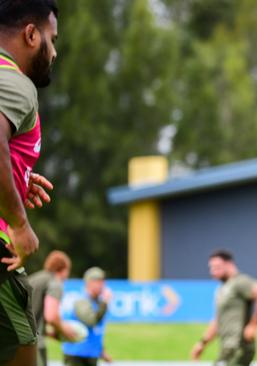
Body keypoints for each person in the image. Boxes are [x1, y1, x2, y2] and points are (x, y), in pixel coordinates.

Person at [0, 0, 59, 364]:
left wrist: (16, 175)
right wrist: (20, 224)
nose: (55, 51)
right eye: (53, 39)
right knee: (24, 355)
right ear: (32, 34)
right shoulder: (14, 81)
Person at [190, 250, 257, 366]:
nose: (213, 272)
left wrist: (253, 324)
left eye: (217, 267)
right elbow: (217, 321)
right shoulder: (222, 289)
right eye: (211, 268)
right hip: (227, 347)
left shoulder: (240, 281)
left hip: (238, 346)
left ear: (230, 264)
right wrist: (202, 343)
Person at [28, 250, 75, 366]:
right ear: (64, 269)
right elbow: (51, 316)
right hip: (33, 343)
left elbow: (31, 314)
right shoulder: (55, 282)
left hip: (14, 340)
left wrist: (49, 332)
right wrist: (64, 331)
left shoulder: (34, 278)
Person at [62, 267, 113, 366]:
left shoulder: (98, 302)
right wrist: (105, 303)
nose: (102, 285)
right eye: (98, 281)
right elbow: (91, 321)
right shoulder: (81, 301)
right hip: (77, 354)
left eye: (103, 281)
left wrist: (101, 351)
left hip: (91, 354)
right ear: (89, 283)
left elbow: (96, 331)